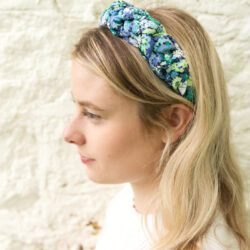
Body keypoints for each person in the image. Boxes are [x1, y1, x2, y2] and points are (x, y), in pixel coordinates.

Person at [62, 0, 249, 249]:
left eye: (93, 114)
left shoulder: (207, 244)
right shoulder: (125, 205)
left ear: (171, 122)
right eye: (77, 107)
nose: (69, 133)